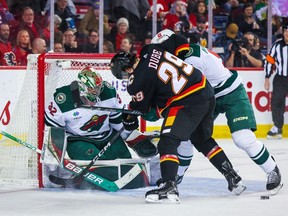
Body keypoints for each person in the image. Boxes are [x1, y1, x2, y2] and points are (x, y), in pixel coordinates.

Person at [151, 29, 282, 195]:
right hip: (207, 97)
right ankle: (176, 177)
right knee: (186, 138)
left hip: (229, 93)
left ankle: (272, 169)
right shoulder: (180, 56)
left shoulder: (191, 58)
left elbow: (186, 91)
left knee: (242, 138)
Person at [110, 49, 245, 203]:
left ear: (128, 68)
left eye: (124, 75)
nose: (127, 78)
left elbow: (140, 108)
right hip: (205, 91)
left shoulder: (138, 79)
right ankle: (233, 177)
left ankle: (169, 186)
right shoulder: (151, 51)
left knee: (167, 141)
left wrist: (128, 119)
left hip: (187, 100)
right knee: (202, 139)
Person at [44, 67, 154, 189]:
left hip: (108, 136)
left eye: (98, 87)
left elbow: (117, 121)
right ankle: (91, 180)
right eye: (92, 88)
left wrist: (134, 139)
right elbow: (55, 130)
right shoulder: (62, 100)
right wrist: (53, 158)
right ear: (82, 86)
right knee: (101, 167)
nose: (96, 91)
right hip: (79, 140)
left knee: (126, 164)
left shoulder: (108, 92)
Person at [264, 23, 288, 139]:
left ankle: (278, 126)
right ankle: (277, 126)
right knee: (276, 102)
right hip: (280, 78)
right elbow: (269, 61)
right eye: (286, 31)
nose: (287, 34)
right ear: (283, 33)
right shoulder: (277, 45)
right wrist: (267, 77)